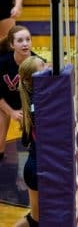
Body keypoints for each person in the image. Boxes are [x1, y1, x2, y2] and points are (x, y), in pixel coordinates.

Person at [15, 55, 78, 227]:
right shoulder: (44, 106)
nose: (49, 66)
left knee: (36, 220)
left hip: (33, 168)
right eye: (43, 65)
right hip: (49, 168)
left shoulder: (35, 102)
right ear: (36, 78)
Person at [0, 25, 35, 162]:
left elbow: (40, 96)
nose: (25, 43)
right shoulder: (3, 63)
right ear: (12, 44)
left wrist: (27, 111)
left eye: (28, 39)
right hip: (3, 103)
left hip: (26, 104)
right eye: (20, 40)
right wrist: (11, 112)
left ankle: (30, 137)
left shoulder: (37, 64)